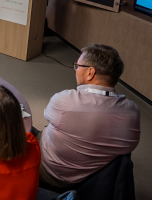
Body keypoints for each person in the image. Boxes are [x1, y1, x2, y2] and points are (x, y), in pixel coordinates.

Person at [38, 44, 140, 188]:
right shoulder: (132, 112)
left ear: (90, 72)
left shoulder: (64, 101)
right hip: (93, 182)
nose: (76, 70)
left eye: (77, 66)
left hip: (50, 173)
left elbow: (48, 117)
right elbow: (128, 147)